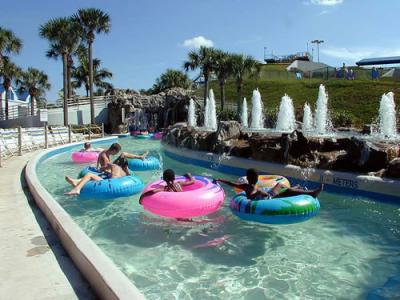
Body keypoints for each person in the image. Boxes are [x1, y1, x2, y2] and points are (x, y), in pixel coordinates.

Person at [216, 168, 323, 200]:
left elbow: (231, 183)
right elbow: (261, 194)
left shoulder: (245, 186)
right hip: (269, 197)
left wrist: (221, 180)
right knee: (286, 190)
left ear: (248, 178)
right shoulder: (251, 187)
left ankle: (297, 188)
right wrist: (264, 194)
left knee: (281, 185)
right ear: (257, 178)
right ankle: (311, 193)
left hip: (268, 195)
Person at [64, 157, 130, 196]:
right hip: (116, 186)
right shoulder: (124, 172)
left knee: (90, 174)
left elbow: (102, 168)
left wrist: (103, 169)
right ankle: (76, 181)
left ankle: (77, 189)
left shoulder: (113, 165)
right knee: (95, 177)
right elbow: (127, 176)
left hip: (109, 184)